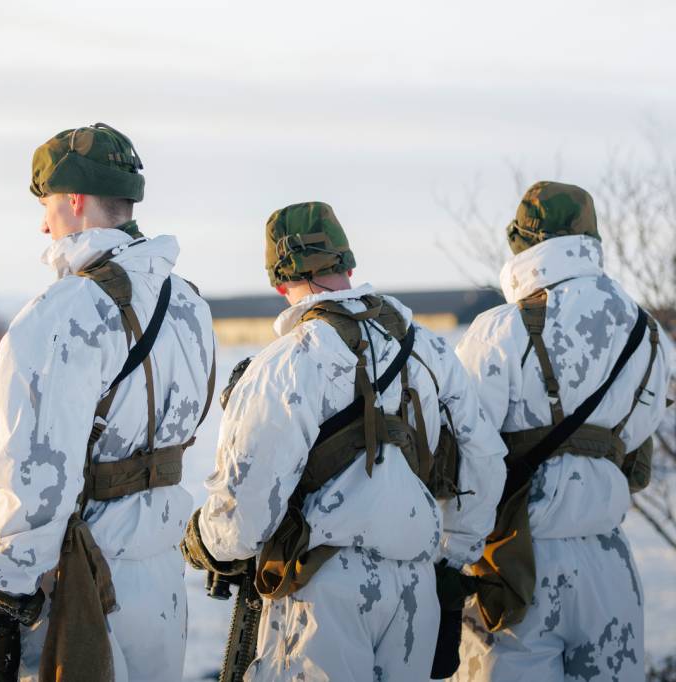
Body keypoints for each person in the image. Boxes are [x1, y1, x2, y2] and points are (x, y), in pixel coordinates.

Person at [181, 201, 506, 681]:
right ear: (349, 267)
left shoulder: (288, 361)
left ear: (277, 281)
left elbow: (244, 511)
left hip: (322, 592)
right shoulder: (428, 347)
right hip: (415, 587)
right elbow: (485, 459)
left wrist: (205, 543)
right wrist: (454, 555)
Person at [0, 123, 215, 682]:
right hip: (160, 573)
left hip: (78, 578)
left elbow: (32, 474)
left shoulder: (63, 312)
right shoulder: (190, 305)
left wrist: (2, 598)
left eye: (47, 204)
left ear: (74, 200)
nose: (42, 224)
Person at [453, 181, 674, 681]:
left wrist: (449, 558)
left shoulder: (500, 329)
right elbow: (634, 459)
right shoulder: (651, 337)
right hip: (610, 563)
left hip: (515, 571)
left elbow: (463, 461)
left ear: (524, 243)